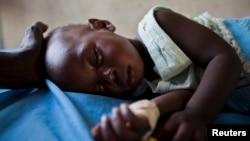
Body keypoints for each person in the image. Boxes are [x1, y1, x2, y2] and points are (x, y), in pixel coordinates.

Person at [1, 5, 250, 141]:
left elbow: (224, 59)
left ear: (102, 25)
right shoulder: (142, 89)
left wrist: (196, 115)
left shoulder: (159, 25)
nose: (108, 76)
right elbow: (187, 95)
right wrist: (141, 119)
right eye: (98, 87)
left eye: (96, 58)